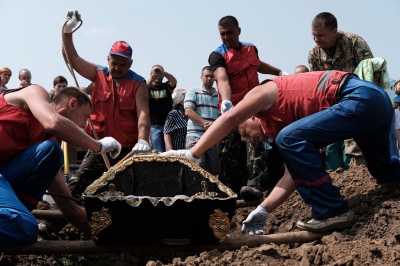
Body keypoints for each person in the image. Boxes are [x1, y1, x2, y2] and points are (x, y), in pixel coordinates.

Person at [163, 70, 400, 234]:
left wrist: (194, 153)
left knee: (288, 138)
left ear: (252, 115)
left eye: (243, 133)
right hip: (376, 102)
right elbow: (292, 175)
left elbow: (231, 116)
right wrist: (264, 208)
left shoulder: (262, 93)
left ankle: (333, 210)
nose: (248, 140)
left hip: (358, 96)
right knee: (385, 171)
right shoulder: (290, 132)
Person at [0, 81, 121, 247]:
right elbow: (54, 122)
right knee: (25, 228)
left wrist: (116, 233)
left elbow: (70, 209)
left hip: (4, 180)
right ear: (72, 103)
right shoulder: (34, 91)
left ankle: (15, 214)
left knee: (51, 151)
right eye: (85, 117)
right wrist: (98, 146)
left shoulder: (44, 151)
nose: (84, 126)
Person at [61, 11, 151, 199]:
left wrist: (143, 139)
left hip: (128, 150)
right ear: (108, 59)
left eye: (123, 65)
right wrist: (67, 33)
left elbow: (143, 114)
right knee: (79, 183)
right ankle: (55, 221)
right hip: (101, 146)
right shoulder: (98, 74)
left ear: (130, 63)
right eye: (114, 63)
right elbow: (73, 59)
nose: (118, 68)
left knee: (130, 193)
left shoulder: (138, 84)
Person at [208, 15, 287, 200]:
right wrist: (227, 103)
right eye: (222, 34)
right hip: (231, 109)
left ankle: (255, 186)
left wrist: (279, 72)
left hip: (254, 106)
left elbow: (258, 65)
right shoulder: (217, 55)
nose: (226, 37)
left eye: (230, 33)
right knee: (228, 153)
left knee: (256, 142)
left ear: (239, 31)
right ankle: (233, 192)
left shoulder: (251, 48)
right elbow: (222, 78)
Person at [308, 12, 376, 170]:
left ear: (334, 31)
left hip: (360, 99)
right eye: (314, 35)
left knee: (363, 146)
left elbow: (370, 74)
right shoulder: (314, 54)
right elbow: (317, 87)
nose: (317, 40)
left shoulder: (354, 43)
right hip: (334, 105)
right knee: (334, 150)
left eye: (321, 35)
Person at [184, 66, 220, 176]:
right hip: (195, 135)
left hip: (213, 137)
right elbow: (188, 111)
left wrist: (215, 125)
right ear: (201, 77)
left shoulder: (220, 95)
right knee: (197, 167)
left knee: (214, 170)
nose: (209, 78)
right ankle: (195, 192)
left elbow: (224, 114)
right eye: (206, 76)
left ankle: (211, 192)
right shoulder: (193, 91)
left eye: (211, 76)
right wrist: (204, 124)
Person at [147, 65, 177, 152]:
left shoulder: (166, 86)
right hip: (154, 126)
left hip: (169, 125)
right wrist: (152, 77)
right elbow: (143, 87)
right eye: (154, 72)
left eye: (159, 72)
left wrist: (163, 72)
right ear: (150, 74)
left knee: (170, 152)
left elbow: (174, 81)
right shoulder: (148, 87)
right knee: (159, 153)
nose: (157, 74)